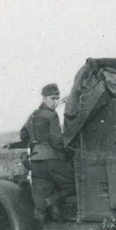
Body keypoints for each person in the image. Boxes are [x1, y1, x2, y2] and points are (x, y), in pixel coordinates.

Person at [20, 83, 75, 222]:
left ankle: (44, 216)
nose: (55, 102)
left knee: (41, 198)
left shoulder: (34, 115)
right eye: (52, 98)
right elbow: (56, 141)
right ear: (44, 98)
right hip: (51, 161)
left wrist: (35, 140)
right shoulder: (52, 115)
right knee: (73, 184)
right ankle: (52, 201)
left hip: (36, 163)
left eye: (57, 99)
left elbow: (23, 135)